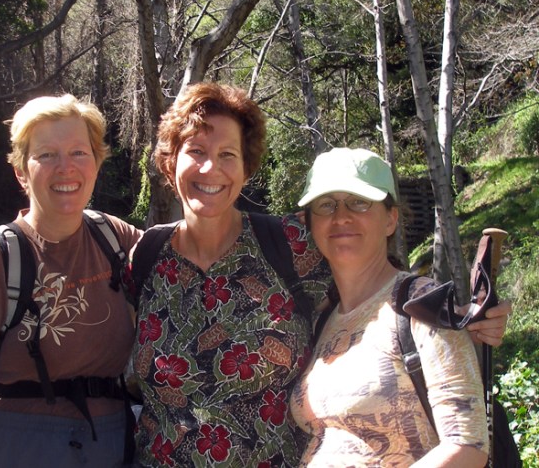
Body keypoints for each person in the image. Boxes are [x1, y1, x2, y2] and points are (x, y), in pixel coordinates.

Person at [125, 82, 509, 467]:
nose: (211, 167)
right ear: (170, 162)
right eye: (196, 151)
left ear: (246, 168)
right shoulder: (146, 257)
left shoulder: (289, 244)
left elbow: (376, 277)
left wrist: (459, 320)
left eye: (228, 153)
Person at [0, 94, 142, 467]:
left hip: (110, 443)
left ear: (97, 163)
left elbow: (188, 265)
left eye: (79, 152)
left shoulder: (114, 238)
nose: (66, 167)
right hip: (19, 447)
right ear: (21, 172)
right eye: (46, 155)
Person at [290, 147, 491, 466]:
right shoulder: (323, 318)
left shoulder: (420, 305)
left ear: (390, 219)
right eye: (326, 205)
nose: (341, 217)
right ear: (311, 224)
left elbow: (467, 445)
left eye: (359, 202)